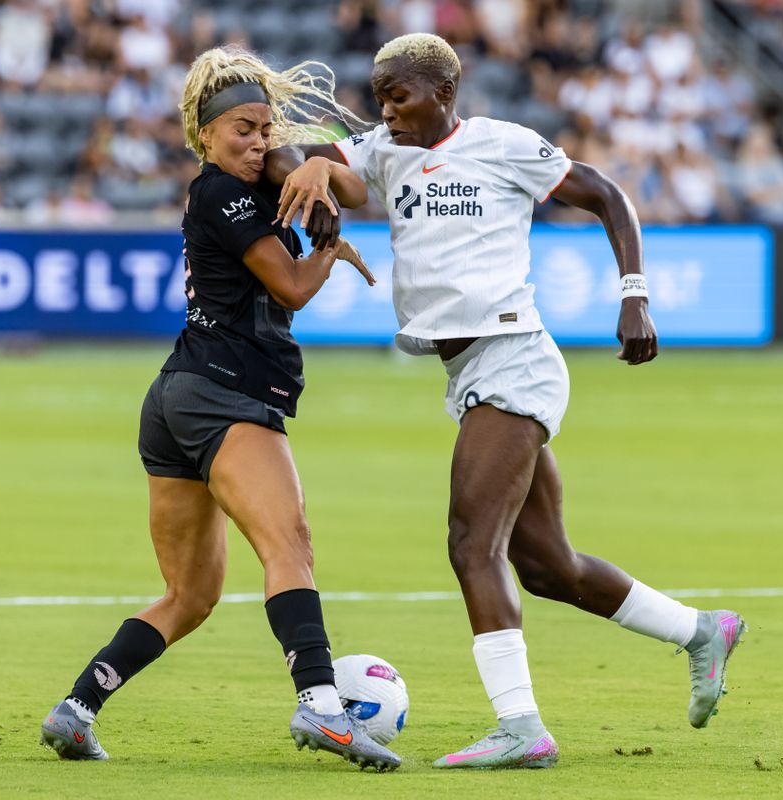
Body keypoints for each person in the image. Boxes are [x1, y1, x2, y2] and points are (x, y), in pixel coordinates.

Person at [267, 33, 746, 770]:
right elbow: (310, 161)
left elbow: (608, 196)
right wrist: (313, 182)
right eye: (380, 97)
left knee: (470, 542)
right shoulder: (382, 151)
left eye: (400, 96)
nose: (387, 110)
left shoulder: (503, 145)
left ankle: (521, 726)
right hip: (470, 375)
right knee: (549, 565)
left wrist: (634, 295)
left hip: (513, 358)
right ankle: (700, 630)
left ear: (443, 95)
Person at [39, 46, 401, 772]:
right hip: (224, 394)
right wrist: (329, 248)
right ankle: (323, 707)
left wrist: (309, 164)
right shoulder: (218, 195)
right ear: (203, 133)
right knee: (288, 542)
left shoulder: (260, 173)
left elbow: (355, 191)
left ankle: (77, 709)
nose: (256, 140)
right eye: (241, 128)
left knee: (191, 595)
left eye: (265, 127)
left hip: (178, 397)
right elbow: (294, 287)